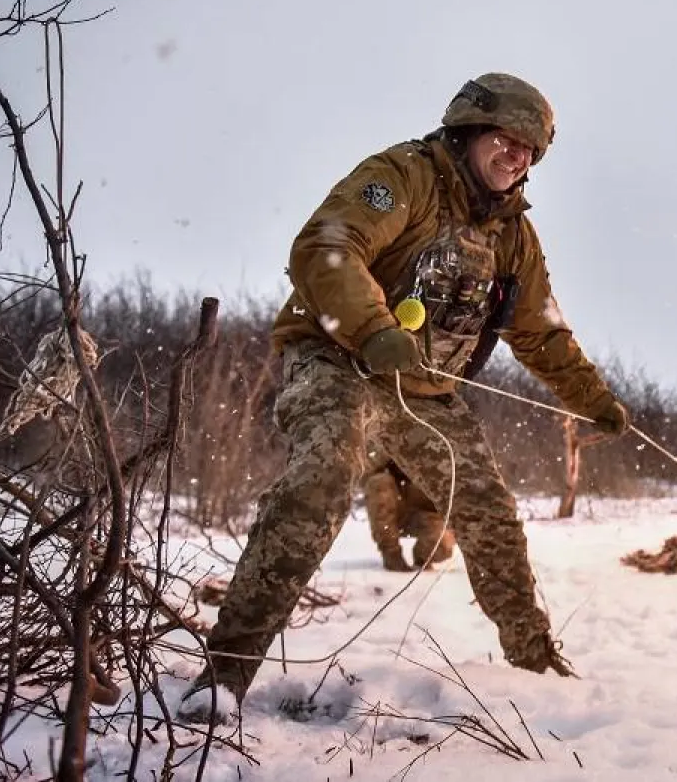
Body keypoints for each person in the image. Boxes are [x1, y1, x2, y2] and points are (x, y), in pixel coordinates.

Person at [180, 73, 629, 719]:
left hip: (425, 393)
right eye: (506, 139)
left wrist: (593, 398)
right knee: (321, 481)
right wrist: (373, 330)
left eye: (529, 150)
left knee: (491, 514)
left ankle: (537, 666)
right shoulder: (404, 176)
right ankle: (224, 674)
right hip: (339, 360)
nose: (517, 157)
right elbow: (326, 246)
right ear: (470, 129)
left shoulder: (513, 237)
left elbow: (541, 331)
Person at [363, 457, 456, 572]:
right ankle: (391, 553)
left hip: (423, 514)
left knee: (444, 540)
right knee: (379, 482)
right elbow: (368, 466)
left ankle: (422, 556)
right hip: (397, 502)